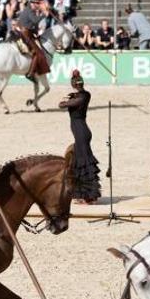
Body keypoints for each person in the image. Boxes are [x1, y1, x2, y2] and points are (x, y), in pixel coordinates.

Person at [58, 70, 101, 204]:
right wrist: (71, 96)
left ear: (73, 85)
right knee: (78, 162)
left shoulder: (83, 97)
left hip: (82, 132)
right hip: (81, 132)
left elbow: (62, 105)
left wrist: (67, 99)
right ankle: (82, 193)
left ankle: (89, 196)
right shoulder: (82, 95)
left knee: (84, 162)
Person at [14, 0, 52, 79]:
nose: (38, 5)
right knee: (38, 53)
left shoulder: (28, 10)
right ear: (32, 3)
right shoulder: (30, 11)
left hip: (25, 32)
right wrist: (44, 15)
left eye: (38, 3)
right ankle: (30, 74)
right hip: (26, 34)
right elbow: (34, 20)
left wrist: (35, 30)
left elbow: (30, 24)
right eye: (36, 4)